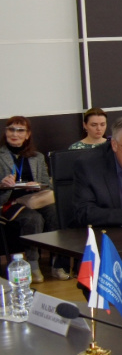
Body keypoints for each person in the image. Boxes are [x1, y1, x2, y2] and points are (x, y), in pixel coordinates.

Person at [0, 116, 57, 281]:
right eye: (11, 129)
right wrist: (2, 184)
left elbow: (47, 184)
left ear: (27, 134)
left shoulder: (37, 157)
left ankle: (58, 261)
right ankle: (33, 265)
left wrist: (37, 185)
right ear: (6, 132)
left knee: (55, 214)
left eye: (20, 130)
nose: (15, 134)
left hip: (34, 199)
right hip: (9, 202)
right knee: (33, 219)